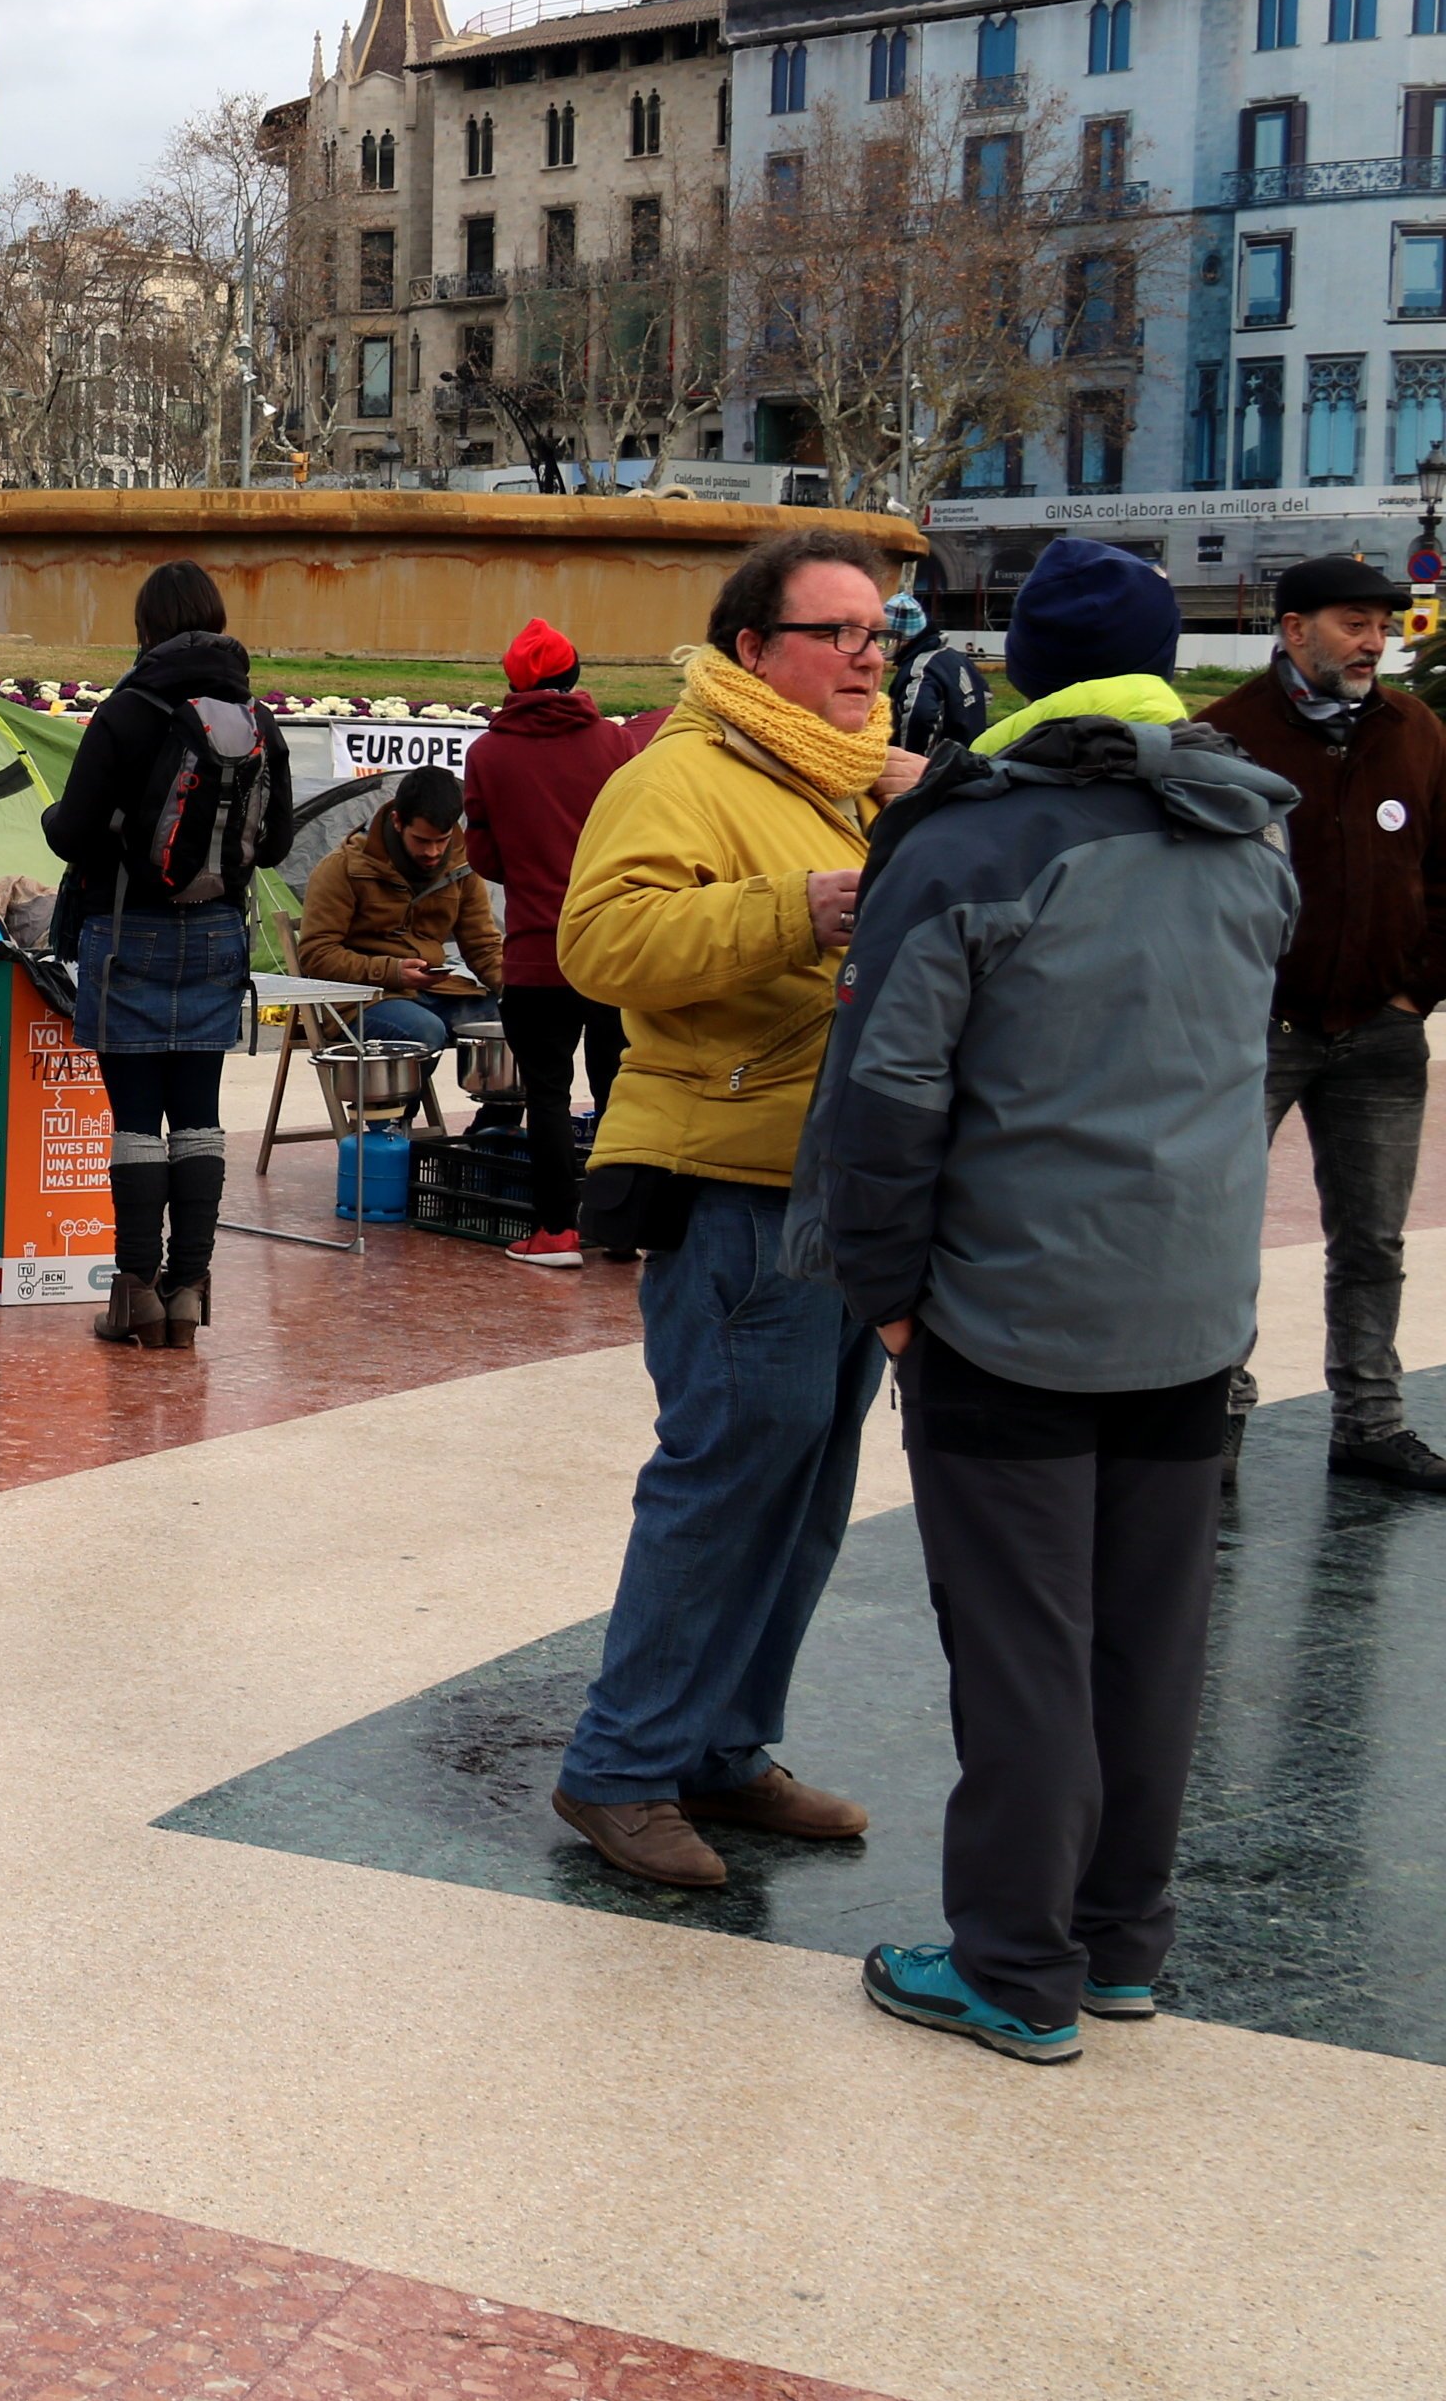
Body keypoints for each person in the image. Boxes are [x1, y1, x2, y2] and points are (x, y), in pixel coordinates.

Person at [790, 540, 1297, 2060]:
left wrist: (886, 1291)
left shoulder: (970, 842)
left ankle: (1013, 1965)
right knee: (1153, 1641)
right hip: (1190, 1310)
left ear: (1019, 667)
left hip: (1009, 1311)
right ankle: (1119, 1944)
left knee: (1021, 1645)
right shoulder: (1248, 834)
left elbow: (884, 1093)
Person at [544, 528, 930, 1889]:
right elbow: (600, 947)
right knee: (722, 1487)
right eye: (837, 635)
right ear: (754, 651)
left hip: (851, 1189)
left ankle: (724, 1749)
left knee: (810, 1496)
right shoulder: (683, 774)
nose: (866, 658)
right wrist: (799, 908)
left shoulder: (864, 783)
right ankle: (620, 1770)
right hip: (738, 1183)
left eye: (879, 634)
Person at [1203, 551, 1446, 1488]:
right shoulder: (1224, 735)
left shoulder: (1416, 731)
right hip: (1257, 1030)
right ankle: (1216, 1418)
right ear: (1293, 628)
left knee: (1374, 1239)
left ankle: (1370, 1422)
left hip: (1381, 1033)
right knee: (1221, 1233)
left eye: (1383, 626)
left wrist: (1414, 990)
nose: (1375, 642)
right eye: (1354, 624)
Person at [43, 560, 295, 1350]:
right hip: (217, 935)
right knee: (200, 1118)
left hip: (128, 934)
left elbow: (72, 831)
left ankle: (134, 1293)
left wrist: (68, 816)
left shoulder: (127, 712)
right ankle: (189, 1291)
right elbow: (279, 842)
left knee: (135, 1125)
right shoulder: (257, 721)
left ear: (147, 630)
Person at [463, 617, 643, 1269]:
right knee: (617, 1085)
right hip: (613, 947)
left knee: (546, 1091)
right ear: (574, 677)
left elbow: (483, 856)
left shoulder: (488, 754)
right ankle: (621, 1230)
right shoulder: (615, 745)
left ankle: (556, 1234)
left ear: (512, 684)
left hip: (538, 953)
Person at [295, 765, 503, 1051]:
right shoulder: (343, 867)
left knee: (514, 1017)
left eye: (441, 841)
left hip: (436, 992)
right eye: (421, 840)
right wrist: (392, 972)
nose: (433, 853)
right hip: (363, 1001)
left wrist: (517, 990)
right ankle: (389, 1098)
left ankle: (505, 1097)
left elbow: (482, 946)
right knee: (424, 1030)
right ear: (397, 821)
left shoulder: (461, 866)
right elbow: (316, 955)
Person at [888, 590, 994, 758]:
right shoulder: (956, 657)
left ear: (902, 637)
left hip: (937, 772)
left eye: (887, 637)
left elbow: (919, 715)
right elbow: (986, 696)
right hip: (970, 762)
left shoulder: (920, 669)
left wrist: (911, 760)